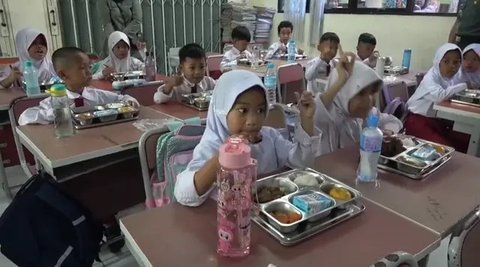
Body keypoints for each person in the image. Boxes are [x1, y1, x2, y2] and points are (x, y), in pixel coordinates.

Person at [174, 70, 321, 207]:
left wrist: (307, 120)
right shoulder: (212, 145)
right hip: (229, 223)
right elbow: (183, 194)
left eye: (260, 110)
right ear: (222, 110)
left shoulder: (270, 137)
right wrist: (223, 157)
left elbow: (301, 163)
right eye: (242, 110)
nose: (253, 120)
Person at [18, 47, 139, 125]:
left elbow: (122, 98)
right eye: (82, 68)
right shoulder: (54, 101)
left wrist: (130, 101)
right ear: (63, 74)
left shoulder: (96, 95)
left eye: (89, 67)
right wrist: (60, 113)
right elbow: (24, 117)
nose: (89, 72)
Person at [315, 53, 402, 154]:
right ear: (343, 94)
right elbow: (316, 113)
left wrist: (388, 132)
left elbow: (392, 121)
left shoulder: (367, 114)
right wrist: (340, 82)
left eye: (372, 93)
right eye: (361, 94)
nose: (369, 100)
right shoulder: (328, 118)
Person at [405, 43, 469, 152]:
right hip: (418, 122)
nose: (452, 66)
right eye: (446, 61)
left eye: (456, 62)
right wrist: (464, 85)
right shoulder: (430, 77)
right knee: (446, 150)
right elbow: (440, 96)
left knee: (466, 142)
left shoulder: (448, 78)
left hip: (437, 122)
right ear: (438, 61)